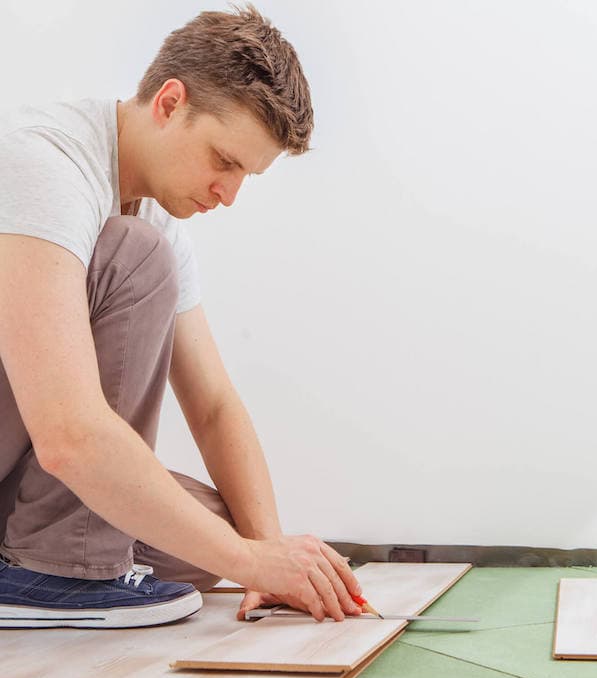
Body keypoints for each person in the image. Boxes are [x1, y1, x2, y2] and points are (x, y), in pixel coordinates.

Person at [0, 4, 362, 628]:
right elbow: (68, 435)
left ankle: (41, 560)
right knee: (135, 255)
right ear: (169, 103)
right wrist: (251, 562)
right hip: (46, 439)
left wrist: (266, 553)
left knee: (215, 529)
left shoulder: (154, 207)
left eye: (245, 175)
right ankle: (51, 575)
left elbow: (214, 403)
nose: (228, 194)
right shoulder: (44, 166)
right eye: (223, 160)